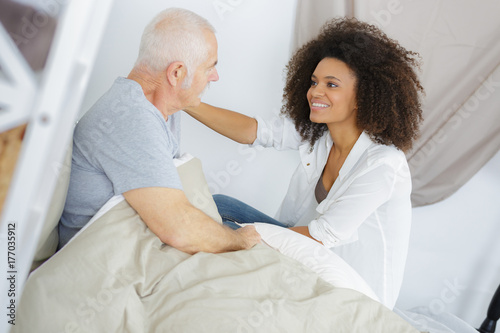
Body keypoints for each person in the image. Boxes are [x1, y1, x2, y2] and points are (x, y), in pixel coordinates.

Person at [184, 17, 423, 308]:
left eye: (331, 84)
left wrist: (236, 237)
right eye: (313, 82)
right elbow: (255, 132)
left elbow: (322, 237)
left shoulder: (384, 165)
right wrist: (186, 102)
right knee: (219, 205)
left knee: (224, 230)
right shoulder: (320, 134)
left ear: (364, 96)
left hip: (350, 286)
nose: (315, 92)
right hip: (307, 250)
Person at [58, 8, 261, 253]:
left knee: (225, 207)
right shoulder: (132, 118)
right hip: (102, 257)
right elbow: (178, 228)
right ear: (176, 73)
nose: (215, 77)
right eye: (209, 67)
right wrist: (239, 240)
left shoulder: (160, 108)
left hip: (136, 243)